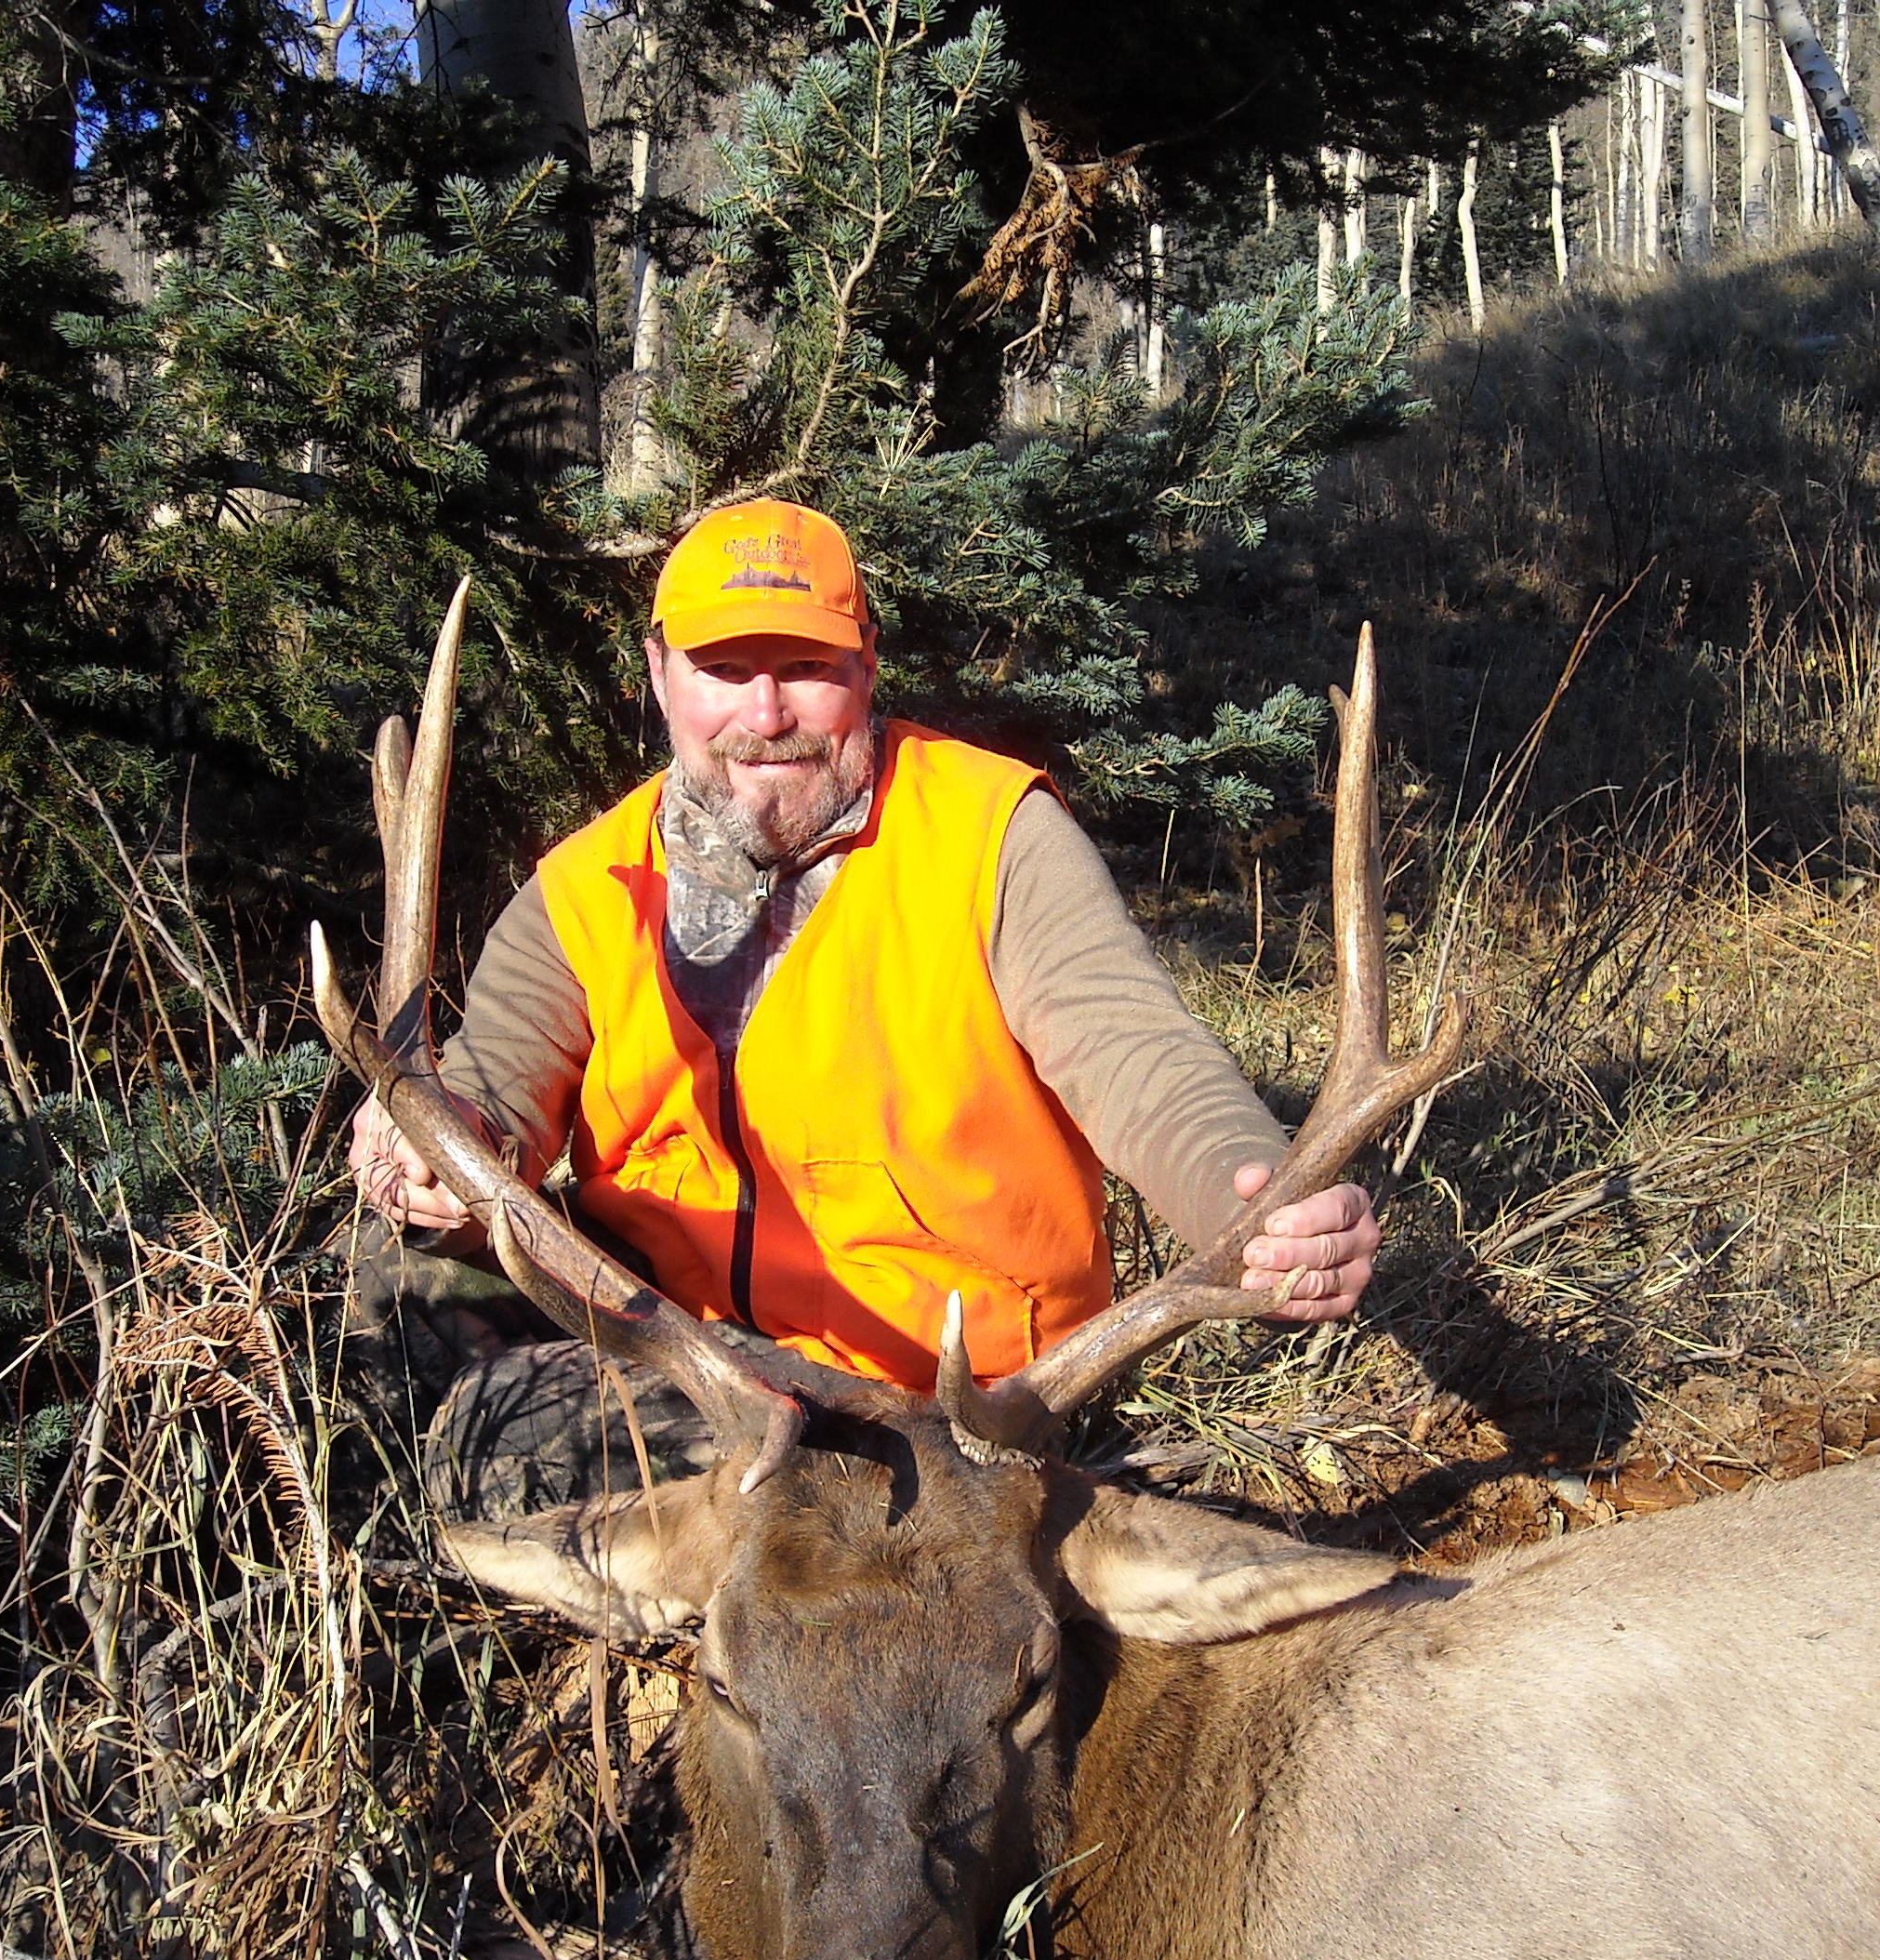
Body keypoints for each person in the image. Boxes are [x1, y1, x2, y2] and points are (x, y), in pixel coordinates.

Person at [351, 499, 1379, 1516]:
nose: (766, 716)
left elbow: (1140, 1061)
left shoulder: (987, 838)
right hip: (682, 1334)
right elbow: (495, 1084)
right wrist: (430, 1156)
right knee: (375, 1284)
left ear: (866, 666)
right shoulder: (588, 889)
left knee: (505, 1443)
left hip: (942, 1396)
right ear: (660, 674)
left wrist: (1254, 1208)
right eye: (723, 669)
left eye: (805, 666)